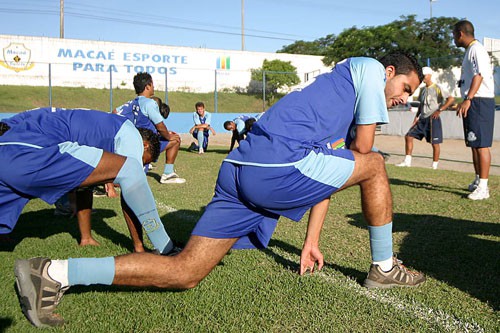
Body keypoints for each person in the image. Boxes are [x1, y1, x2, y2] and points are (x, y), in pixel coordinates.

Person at [14, 53, 426, 328]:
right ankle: (384, 269)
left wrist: (311, 239)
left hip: (242, 167)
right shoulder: (370, 68)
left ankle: (52, 272)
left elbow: (332, 173)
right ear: (389, 72)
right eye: (406, 88)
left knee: (186, 271)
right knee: (374, 165)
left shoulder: (337, 94)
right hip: (276, 165)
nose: (402, 99)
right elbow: (364, 156)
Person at [0, 107, 178, 256]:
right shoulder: (131, 133)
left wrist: (85, 237)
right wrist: (139, 247)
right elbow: (131, 180)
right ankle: (167, 249)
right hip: (31, 150)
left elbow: (82, 185)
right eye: (145, 161)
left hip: (9, 150)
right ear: (145, 145)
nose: (143, 166)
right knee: (131, 170)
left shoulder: (100, 133)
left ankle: (85, 238)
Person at [114, 72, 185, 184]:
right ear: (147, 86)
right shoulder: (149, 103)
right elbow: (160, 126)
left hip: (134, 142)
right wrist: (168, 136)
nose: (153, 87)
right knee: (175, 139)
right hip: (147, 145)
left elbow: (115, 113)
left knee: (131, 176)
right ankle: (167, 174)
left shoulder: (132, 102)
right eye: (152, 84)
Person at [453, 20, 495, 200]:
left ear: (460, 33)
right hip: (472, 100)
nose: (453, 39)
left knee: (482, 145)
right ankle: (479, 179)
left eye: (454, 35)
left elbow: (479, 76)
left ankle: (484, 187)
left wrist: (468, 98)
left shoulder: (476, 49)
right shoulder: (470, 50)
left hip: (479, 101)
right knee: (474, 143)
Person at [396, 67, 455, 169]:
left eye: (424, 75)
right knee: (408, 136)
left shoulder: (438, 87)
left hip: (433, 118)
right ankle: (407, 161)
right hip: (422, 119)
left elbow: (451, 99)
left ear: (429, 75)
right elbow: (421, 105)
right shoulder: (423, 90)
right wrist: (416, 117)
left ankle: (434, 166)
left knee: (434, 143)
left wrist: (440, 110)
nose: (422, 77)